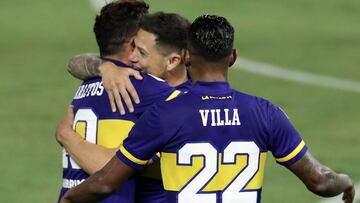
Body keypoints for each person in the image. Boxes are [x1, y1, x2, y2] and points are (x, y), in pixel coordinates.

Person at [59, 15, 355, 203]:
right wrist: (344, 181)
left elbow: (105, 183)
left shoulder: (165, 113)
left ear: (185, 56)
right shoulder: (266, 113)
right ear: (234, 56)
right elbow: (319, 180)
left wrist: (70, 196)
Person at [56, 1, 182, 202]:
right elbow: (197, 109)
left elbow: (73, 63)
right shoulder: (142, 86)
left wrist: (67, 137)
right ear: (135, 42)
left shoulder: (85, 85)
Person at [66, 12, 192, 115]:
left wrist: (72, 140)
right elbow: (74, 63)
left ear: (172, 61)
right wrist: (106, 67)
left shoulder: (148, 91)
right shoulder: (128, 79)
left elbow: (73, 64)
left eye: (142, 53)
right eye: (133, 46)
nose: (132, 57)